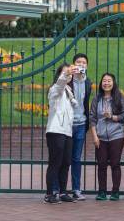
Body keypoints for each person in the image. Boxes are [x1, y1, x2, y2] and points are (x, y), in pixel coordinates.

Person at [89, 73, 124, 201]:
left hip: (116, 135)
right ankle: (102, 192)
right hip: (100, 136)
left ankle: (115, 192)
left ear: (113, 82)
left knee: (115, 164)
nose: (106, 83)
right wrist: (95, 136)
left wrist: (112, 117)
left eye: (109, 81)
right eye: (104, 81)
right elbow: (92, 118)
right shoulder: (97, 99)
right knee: (101, 164)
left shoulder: (119, 97)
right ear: (101, 83)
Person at [44, 63, 80, 204]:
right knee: (55, 162)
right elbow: (60, 85)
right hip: (55, 130)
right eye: (65, 73)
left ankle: (63, 192)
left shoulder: (69, 91)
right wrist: (65, 74)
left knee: (66, 162)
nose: (69, 75)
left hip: (67, 132)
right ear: (60, 74)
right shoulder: (55, 89)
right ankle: (49, 194)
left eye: (70, 73)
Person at [69, 53, 92, 201]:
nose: (81, 64)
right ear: (74, 64)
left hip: (81, 124)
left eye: (84, 62)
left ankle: (76, 189)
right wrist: (68, 75)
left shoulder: (88, 82)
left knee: (76, 158)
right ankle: (57, 189)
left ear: (87, 66)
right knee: (64, 157)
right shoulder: (67, 79)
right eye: (78, 62)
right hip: (67, 124)